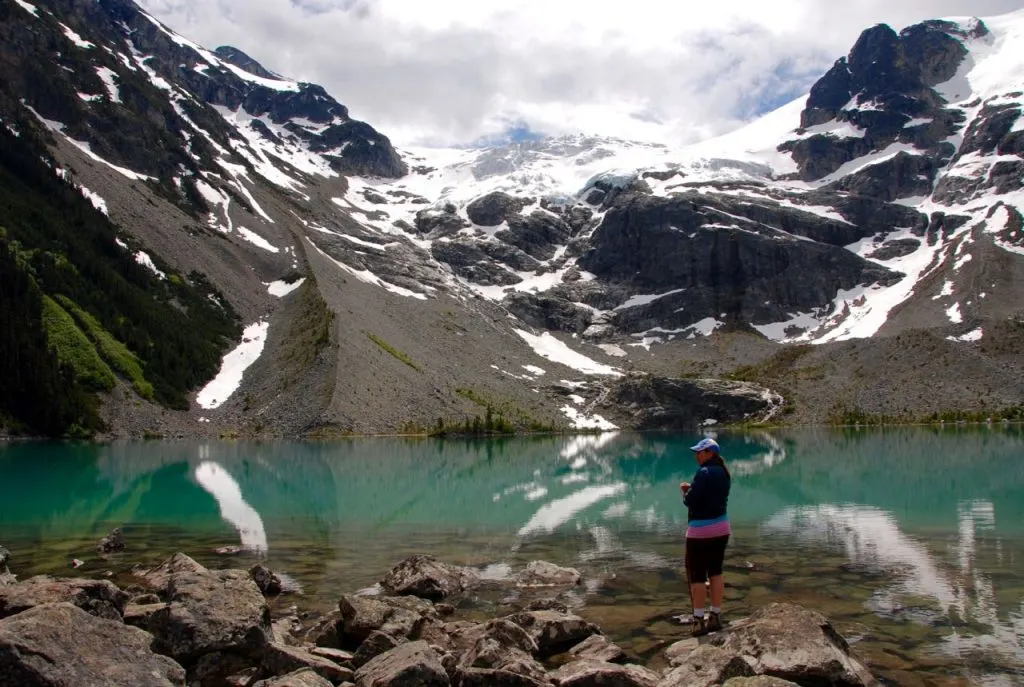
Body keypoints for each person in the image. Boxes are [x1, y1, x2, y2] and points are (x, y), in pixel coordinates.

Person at [680, 437, 731, 636]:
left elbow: (691, 502)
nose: (696, 456)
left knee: (698, 575)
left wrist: (685, 492)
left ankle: (699, 620)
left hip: (700, 532)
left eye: (699, 452)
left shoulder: (704, 473)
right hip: (722, 528)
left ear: (710, 452)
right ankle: (716, 616)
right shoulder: (724, 473)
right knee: (716, 572)